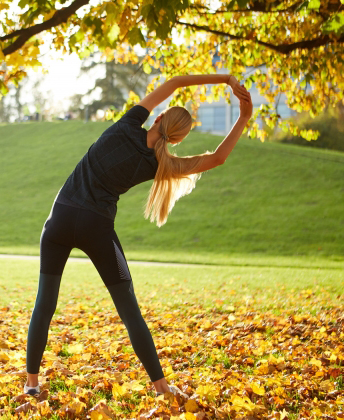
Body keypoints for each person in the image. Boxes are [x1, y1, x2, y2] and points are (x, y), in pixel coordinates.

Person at [23, 74, 253, 397]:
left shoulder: (128, 124)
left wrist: (224, 79)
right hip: (96, 227)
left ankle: (31, 384)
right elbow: (217, 158)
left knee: (44, 304)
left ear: (157, 118)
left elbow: (175, 82)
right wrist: (243, 117)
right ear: (176, 140)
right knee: (129, 310)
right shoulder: (160, 163)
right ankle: (161, 387)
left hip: (59, 218)